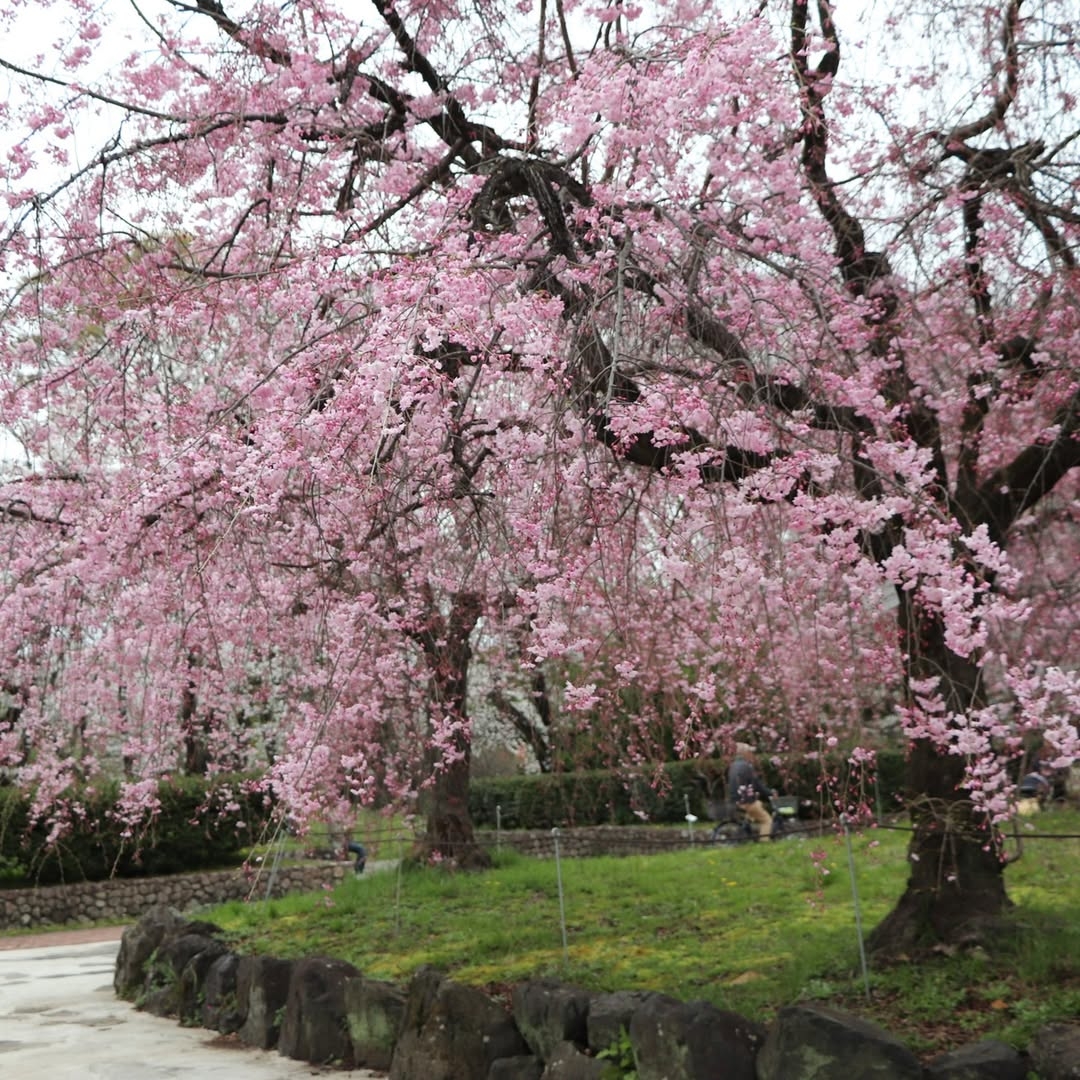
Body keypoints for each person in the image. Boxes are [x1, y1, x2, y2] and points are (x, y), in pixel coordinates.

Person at [727, 743, 773, 839]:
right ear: (745, 753)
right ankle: (764, 843)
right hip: (746, 801)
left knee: (759, 804)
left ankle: (749, 821)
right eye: (750, 752)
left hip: (736, 799)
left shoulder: (733, 766)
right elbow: (757, 784)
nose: (752, 754)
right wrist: (770, 793)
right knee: (767, 820)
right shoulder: (747, 766)